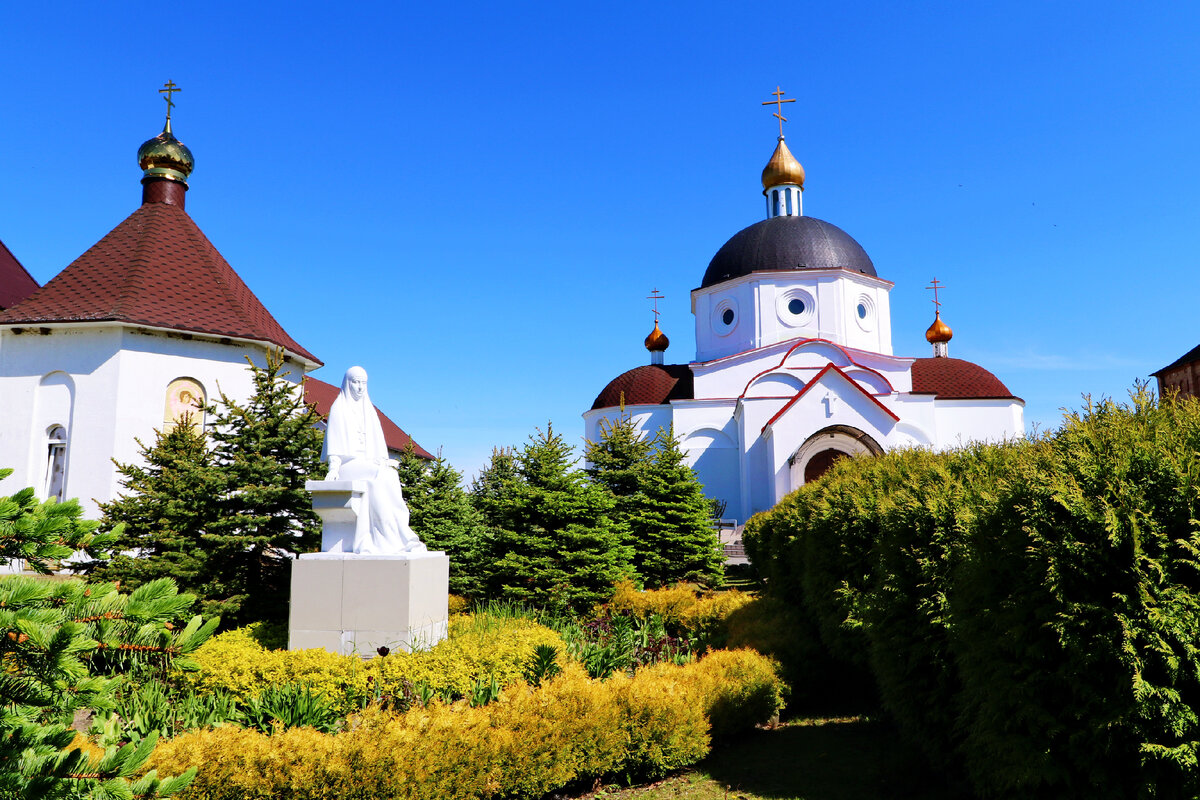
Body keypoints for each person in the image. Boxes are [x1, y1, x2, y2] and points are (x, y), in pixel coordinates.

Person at [321, 366, 425, 555]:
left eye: (363, 383)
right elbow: (335, 446)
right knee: (379, 474)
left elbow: (377, 447)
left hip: (368, 464)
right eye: (355, 382)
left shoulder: (368, 410)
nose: (359, 387)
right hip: (348, 465)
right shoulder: (339, 408)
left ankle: (399, 534)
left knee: (390, 475)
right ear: (347, 383)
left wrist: (382, 461)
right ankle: (387, 536)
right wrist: (333, 469)